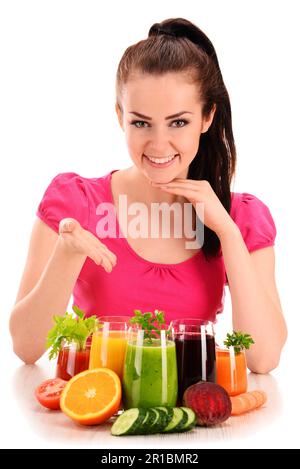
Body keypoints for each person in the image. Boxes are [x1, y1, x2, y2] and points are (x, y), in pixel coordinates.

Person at [9, 17, 287, 371]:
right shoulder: (76, 203)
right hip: (99, 409)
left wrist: (227, 233)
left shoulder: (242, 217)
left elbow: (263, 360)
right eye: (140, 123)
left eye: (178, 122)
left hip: (191, 415)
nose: (158, 144)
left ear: (207, 118)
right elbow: (26, 346)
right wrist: (66, 253)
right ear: (120, 116)